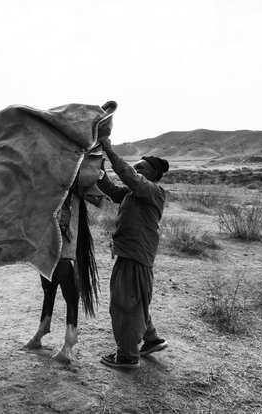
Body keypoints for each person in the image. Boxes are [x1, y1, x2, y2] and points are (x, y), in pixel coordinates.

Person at [96, 121, 170, 369]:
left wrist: (108, 149)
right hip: (133, 253)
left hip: (135, 255)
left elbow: (127, 175)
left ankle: (127, 355)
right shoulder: (133, 193)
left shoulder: (153, 191)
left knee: (124, 303)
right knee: (135, 300)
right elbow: (110, 188)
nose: (135, 171)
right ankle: (151, 339)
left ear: (151, 175)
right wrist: (99, 167)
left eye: (140, 168)